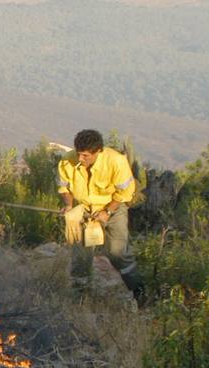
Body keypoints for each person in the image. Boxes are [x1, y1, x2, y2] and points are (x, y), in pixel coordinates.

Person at [57, 129, 145, 303]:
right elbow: (64, 188)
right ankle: (80, 300)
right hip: (84, 210)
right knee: (81, 258)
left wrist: (108, 212)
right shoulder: (67, 160)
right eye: (79, 154)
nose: (81, 159)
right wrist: (68, 205)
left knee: (117, 253)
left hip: (113, 208)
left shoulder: (116, 161)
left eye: (86, 156)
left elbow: (125, 192)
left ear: (98, 151)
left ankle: (140, 293)